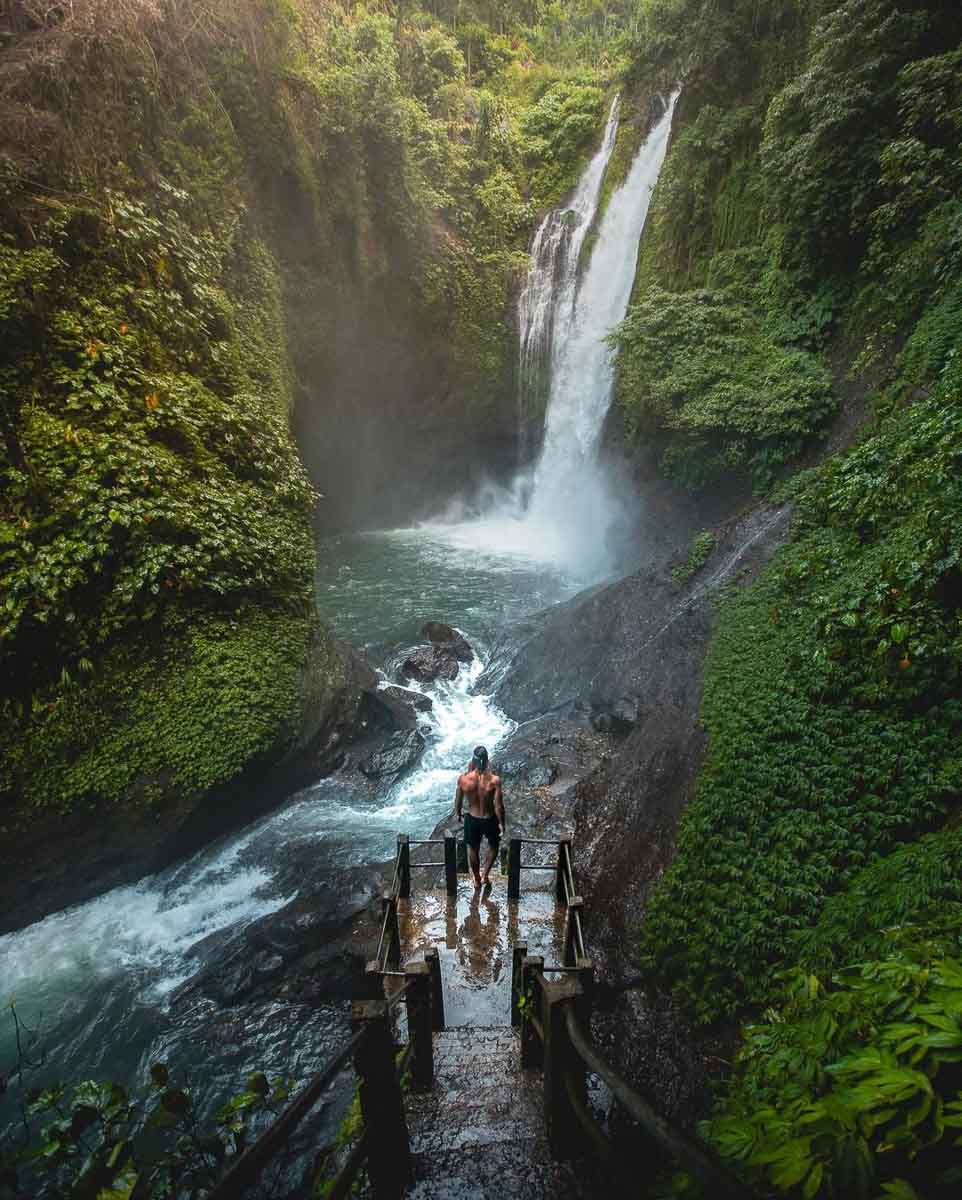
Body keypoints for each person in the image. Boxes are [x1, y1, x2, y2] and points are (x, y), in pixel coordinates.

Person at [454, 745, 505, 889]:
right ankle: (485, 875)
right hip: (489, 818)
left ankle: (476, 879)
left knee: (473, 848)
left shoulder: (463, 779)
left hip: (472, 818)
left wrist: (458, 813)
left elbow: (458, 801)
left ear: (473, 761)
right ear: (487, 760)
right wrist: (502, 823)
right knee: (494, 846)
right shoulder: (494, 780)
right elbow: (499, 806)